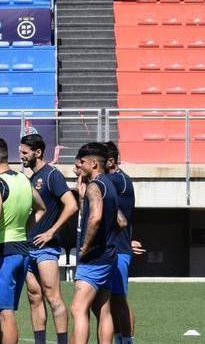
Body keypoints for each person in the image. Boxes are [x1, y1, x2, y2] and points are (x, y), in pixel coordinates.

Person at [0, 138, 46, 344]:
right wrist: (24, 230)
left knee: (5, 314)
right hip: (22, 251)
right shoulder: (23, 179)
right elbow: (41, 209)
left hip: (2, 253)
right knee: (5, 310)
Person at [20, 133, 77, 344]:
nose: (22, 156)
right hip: (28, 247)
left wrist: (52, 231)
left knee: (53, 297)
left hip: (46, 248)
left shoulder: (52, 175)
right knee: (34, 296)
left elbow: (72, 205)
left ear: (38, 152)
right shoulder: (30, 178)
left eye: (25, 153)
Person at [71, 143, 119, 344]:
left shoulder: (95, 186)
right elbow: (121, 220)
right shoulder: (109, 184)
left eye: (81, 162)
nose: (78, 166)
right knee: (102, 308)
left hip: (94, 258)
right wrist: (83, 199)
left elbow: (95, 218)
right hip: (109, 256)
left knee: (78, 309)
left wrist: (86, 246)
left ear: (93, 163)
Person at [104, 142, 138, 344]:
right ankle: (121, 338)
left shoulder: (116, 180)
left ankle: (126, 340)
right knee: (114, 299)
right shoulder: (119, 179)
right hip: (116, 246)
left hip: (118, 249)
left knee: (118, 299)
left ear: (110, 161)